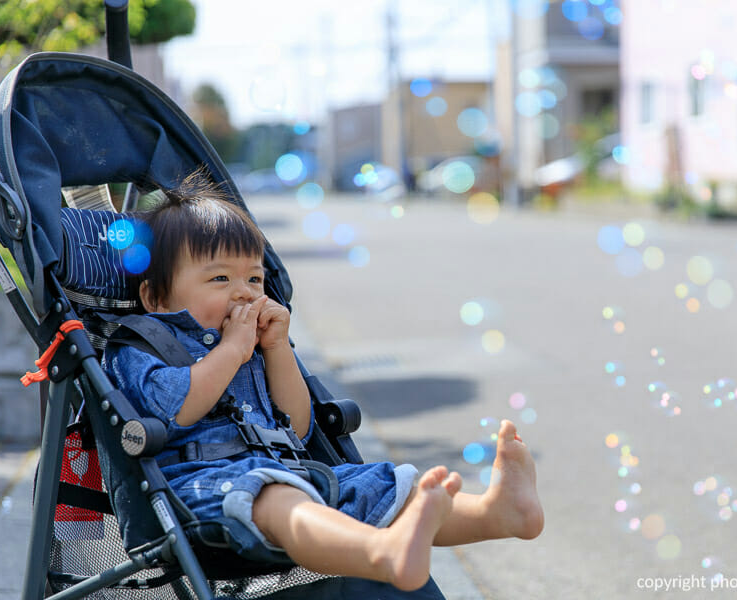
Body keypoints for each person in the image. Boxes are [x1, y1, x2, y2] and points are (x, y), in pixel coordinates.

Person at [103, 172, 544, 592]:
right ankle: (380, 550)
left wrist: (275, 351)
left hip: (289, 469)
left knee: (375, 485)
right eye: (220, 278)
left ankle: (497, 513)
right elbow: (174, 410)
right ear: (157, 298)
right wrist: (232, 351)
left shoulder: (253, 346)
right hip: (200, 488)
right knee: (278, 496)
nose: (244, 292)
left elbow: (295, 427)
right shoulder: (144, 346)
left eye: (254, 279)